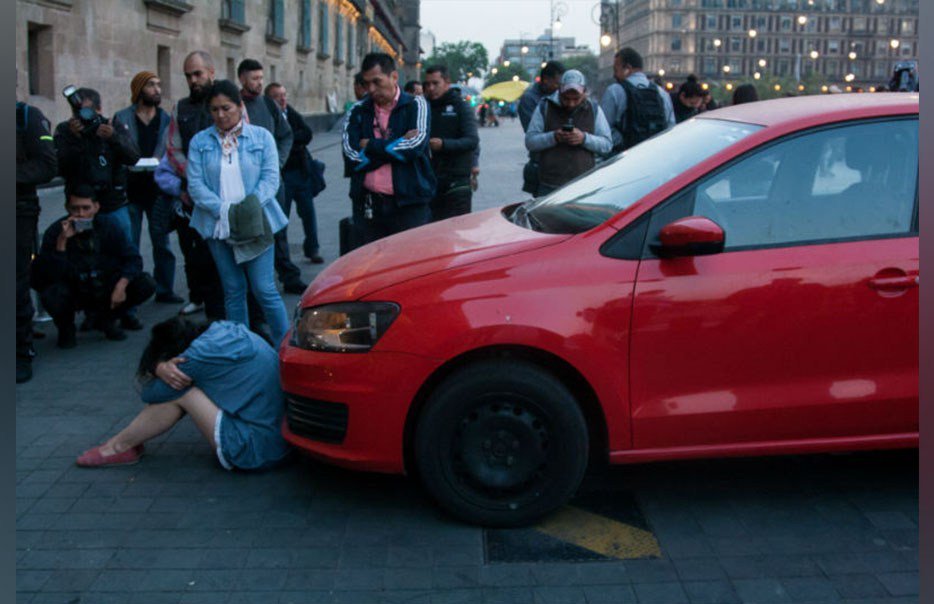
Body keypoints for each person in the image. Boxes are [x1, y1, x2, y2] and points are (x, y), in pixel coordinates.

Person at [74, 317, 290, 471]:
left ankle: (118, 446)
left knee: (182, 392)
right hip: (280, 439)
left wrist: (158, 368)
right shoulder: (226, 328)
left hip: (256, 451)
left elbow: (151, 394)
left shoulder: (196, 357)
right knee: (185, 388)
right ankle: (122, 444)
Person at [186, 80, 290, 345]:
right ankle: (242, 346)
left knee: (264, 288)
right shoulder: (200, 142)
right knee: (233, 289)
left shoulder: (261, 137)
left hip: (257, 223)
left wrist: (246, 209)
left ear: (240, 106)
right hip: (217, 224)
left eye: (226, 108)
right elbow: (195, 185)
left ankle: (285, 344)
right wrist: (223, 210)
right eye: (214, 110)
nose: (220, 115)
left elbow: (270, 179)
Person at [54, 87, 143, 331]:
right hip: (81, 206)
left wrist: (113, 137)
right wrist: (75, 139)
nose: (82, 117)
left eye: (87, 111)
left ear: (99, 110)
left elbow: (134, 157)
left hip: (112, 203)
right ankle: (92, 311)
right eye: (77, 111)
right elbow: (59, 166)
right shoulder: (65, 131)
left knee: (124, 252)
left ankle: (128, 310)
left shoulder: (110, 127)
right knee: (84, 259)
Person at [31, 185, 157, 347]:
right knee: (52, 293)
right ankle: (66, 328)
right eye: (75, 209)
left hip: (104, 283)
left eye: (86, 208)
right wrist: (62, 242)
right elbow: (45, 275)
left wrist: (121, 285)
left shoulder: (108, 225)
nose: (81, 214)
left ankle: (107, 319)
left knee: (144, 283)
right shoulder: (56, 231)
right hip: (73, 286)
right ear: (67, 208)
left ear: (96, 207)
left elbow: (133, 259)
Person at [342, 52, 436, 246]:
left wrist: (370, 145)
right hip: (368, 203)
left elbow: (415, 146)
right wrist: (396, 146)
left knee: (409, 262)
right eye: (366, 83)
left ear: (394, 77)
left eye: (377, 82)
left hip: (409, 203)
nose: (371, 89)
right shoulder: (358, 110)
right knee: (370, 265)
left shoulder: (416, 104)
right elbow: (351, 157)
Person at [164, 50, 227, 319]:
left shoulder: (228, 102)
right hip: (195, 198)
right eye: (188, 75)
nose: (193, 80)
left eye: (198, 74)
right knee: (200, 259)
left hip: (227, 197)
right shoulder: (181, 108)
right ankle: (211, 316)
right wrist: (195, 178)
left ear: (211, 72)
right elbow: (173, 148)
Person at [237, 59, 306, 295]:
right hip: (244, 184)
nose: (259, 83)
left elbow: (286, 135)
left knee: (279, 228)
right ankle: (253, 280)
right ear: (242, 78)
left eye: (261, 78)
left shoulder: (268, 104)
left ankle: (288, 275)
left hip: (274, 181)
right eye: (254, 78)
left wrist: (277, 163)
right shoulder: (233, 106)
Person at [114, 71, 182, 305]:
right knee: (129, 244)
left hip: (158, 190)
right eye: (151, 85)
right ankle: (130, 293)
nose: (157, 90)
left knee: (161, 242)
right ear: (139, 89)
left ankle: (165, 289)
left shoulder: (166, 119)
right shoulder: (122, 117)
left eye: (158, 85)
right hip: (130, 189)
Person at [16, 99, 58, 383]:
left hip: (18, 211)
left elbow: (46, 164)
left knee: (15, 283)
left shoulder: (26, 116)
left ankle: (20, 351)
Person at [525, 70, 613, 196]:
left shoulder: (594, 110)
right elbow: (530, 142)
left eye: (576, 99)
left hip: (584, 185)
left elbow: (607, 145)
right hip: (549, 185)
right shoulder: (545, 107)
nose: (571, 104)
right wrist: (554, 137)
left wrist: (583, 139)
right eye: (566, 98)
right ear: (560, 90)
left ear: (584, 92)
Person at [265, 82, 324, 264]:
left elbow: (306, 133)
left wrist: (291, 141)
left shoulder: (290, 112)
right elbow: (274, 142)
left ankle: (312, 249)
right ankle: (282, 258)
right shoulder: (268, 117)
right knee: (281, 217)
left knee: (308, 214)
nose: (283, 99)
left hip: (301, 172)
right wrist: (293, 142)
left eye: (284, 95)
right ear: (269, 100)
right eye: (277, 96)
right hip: (283, 175)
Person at [423, 64, 479, 221]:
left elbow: (472, 140)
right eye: (427, 84)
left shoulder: (461, 107)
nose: (431, 88)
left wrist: (444, 144)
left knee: (456, 233)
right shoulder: (422, 106)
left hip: (457, 181)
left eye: (435, 83)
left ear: (447, 82)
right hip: (429, 180)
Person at [600, 47, 675, 154]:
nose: (614, 75)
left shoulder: (614, 91)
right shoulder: (662, 93)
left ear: (628, 68)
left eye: (616, 70)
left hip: (624, 157)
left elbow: (603, 129)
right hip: (655, 155)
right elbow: (670, 128)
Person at [518, 61, 566, 132]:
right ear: (546, 79)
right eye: (557, 84)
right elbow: (532, 129)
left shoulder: (561, 95)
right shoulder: (528, 99)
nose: (560, 88)